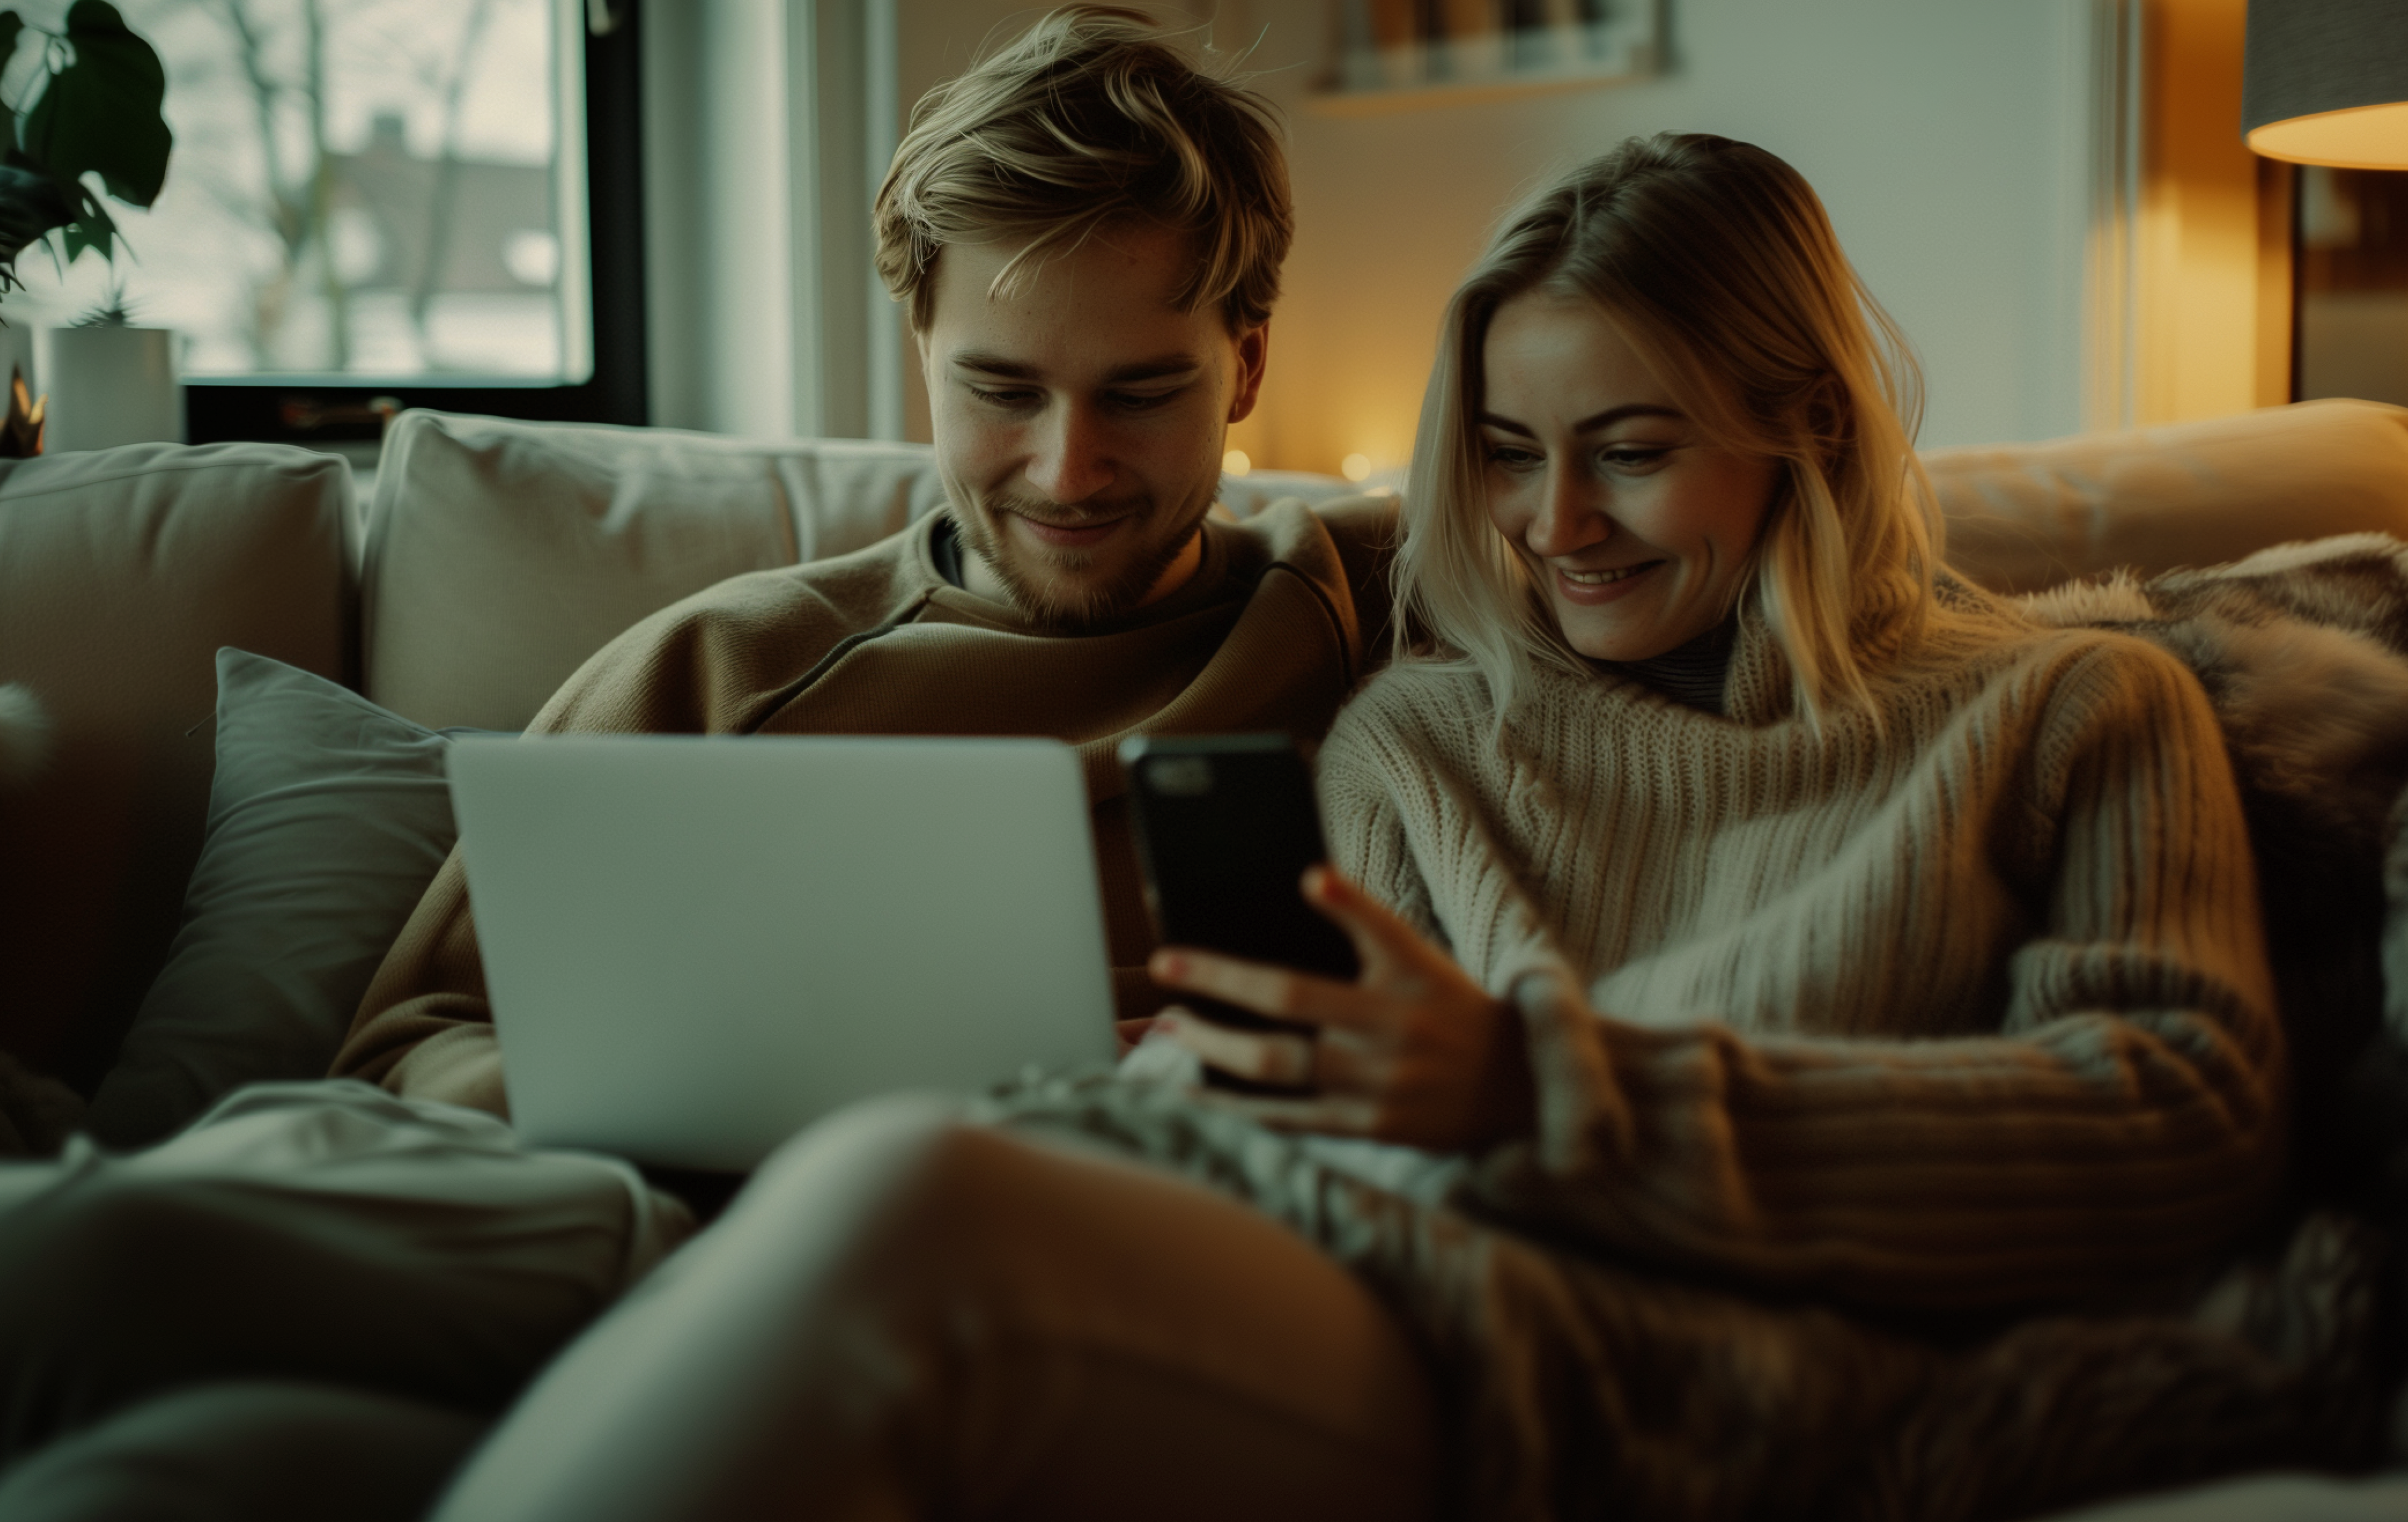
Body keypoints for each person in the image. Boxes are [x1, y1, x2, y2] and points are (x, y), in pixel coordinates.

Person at [419, 133, 2289, 1522]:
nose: (1557, 525)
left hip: (1692, 1372)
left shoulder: (2076, 709)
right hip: (1399, 1284)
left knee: (912, 1212)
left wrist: (1547, 1094)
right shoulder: (1418, 734)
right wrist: (1196, 1075)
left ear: (1805, 423)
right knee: (888, 1182)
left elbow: (2188, 1124)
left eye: (1633, 450)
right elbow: (1346, 1128)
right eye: (1507, 453)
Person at [0, 5, 1396, 1520]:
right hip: (620, 1249)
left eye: (1144, 394)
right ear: (920, 350)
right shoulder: (730, 662)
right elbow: (407, 1046)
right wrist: (680, 1081)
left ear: (1248, 363)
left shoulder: (1373, 624)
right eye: (1002, 390)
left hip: (1021, 1325)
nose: (1069, 467)